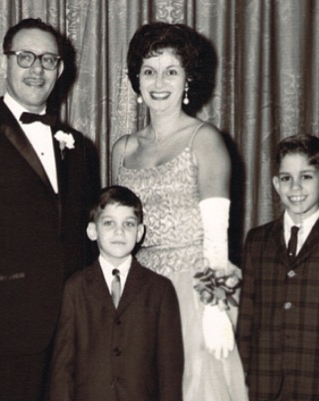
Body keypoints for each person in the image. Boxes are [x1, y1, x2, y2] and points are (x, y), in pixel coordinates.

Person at [0, 18, 100, 401]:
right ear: (3, 63)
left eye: (47, 60)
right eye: (25, 57)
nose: (36, 69)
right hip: (6, 328)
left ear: (60, 70)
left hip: (73, 325)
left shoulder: (79, 148)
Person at [111, 22, 248, 401]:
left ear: (187, 79)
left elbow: (217, 241)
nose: (159, 82)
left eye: (171, 71)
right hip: (137, 292)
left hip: (194, 292)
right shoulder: (121, 149)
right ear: (136, 80)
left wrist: (216, 308)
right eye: (149, 71)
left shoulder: (205, 140)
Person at [237, 134, 319, 401]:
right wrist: (238, 380)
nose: (295, 187)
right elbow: (246, 317)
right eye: (286, 178)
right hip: (260, 383)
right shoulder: (257, 241)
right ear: (275, 183)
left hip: (317, 384)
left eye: (306, 177)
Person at [48, 185, 184, 401]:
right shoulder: (75, 288)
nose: (119, 232)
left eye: (128, 224)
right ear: (93, 231)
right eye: (109, 223)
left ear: (140, 233)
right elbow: (62, 367)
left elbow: (169, 371)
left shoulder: (160, 290)